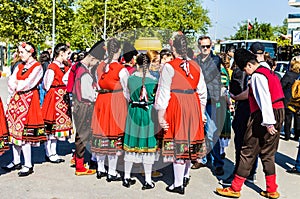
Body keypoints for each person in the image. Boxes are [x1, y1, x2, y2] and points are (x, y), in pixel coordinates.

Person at [216, 48, 285, 199]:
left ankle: (235, 188)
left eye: (244, 69)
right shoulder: (266, 69)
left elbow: (264, 99)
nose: (245, 73)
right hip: (279, 111)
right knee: (268, 153)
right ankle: (272, 189)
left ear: (248, 65)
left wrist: (268, 122)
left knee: (248, 150)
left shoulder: (257, 76)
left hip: (264, 115)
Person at [155, 33, 207, 195]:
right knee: (189, 140)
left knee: (178, 141)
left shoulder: (169, 67)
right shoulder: (196, 66)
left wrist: (160, 115)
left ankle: (178, 184)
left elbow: (163, 92)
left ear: (173, 48)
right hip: (193, 103)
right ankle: (185, 175)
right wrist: (202, 112)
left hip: (177, 103)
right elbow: (202, 92)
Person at [3, 42, 47, 177]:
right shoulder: (20, 66)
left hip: (29, 101)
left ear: (30, 52)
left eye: (22, 52)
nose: (19, 55)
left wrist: (17, 84)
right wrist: (16, 84)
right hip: (17, 101)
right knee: (14, 131)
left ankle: (27, 163)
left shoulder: (37, 67)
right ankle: (16, 160)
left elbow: (28, 83)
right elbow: (11, 81)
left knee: (25, 133)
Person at [90, 38, 129, 182]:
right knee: (113, 136)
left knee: (101, 135)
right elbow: (127, 90)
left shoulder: (100, 67)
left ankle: (100, 168)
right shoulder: (121, 69)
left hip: (101, 101)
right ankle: (111, 171)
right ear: (118, 51)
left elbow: (98, 85)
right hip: (115, 102)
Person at [68, 40, 105, 175]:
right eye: (96, 62)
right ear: (93, 58)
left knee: (82, 133)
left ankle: (78, 160)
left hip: (79, 103)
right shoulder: (84, 73)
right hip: (84, 105)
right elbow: (88, 95)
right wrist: (98, 94)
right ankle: (80, 166)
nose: (96, 65)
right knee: (83, 134)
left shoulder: (79, 67)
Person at [123, 53, 158, 189]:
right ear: (149, 65)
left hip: (133, 111)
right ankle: (148, 180)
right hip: (147, 112)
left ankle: (126, 176)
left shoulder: (130, 79)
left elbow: (126, 95)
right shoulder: (154, 80)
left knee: (131, 144)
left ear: (136, 64)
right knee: (148, 145)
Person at [193, 35, 224, 177]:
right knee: (200, 132)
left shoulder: (215, 59)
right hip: (199, 99)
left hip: (211, 99)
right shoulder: (196, 60)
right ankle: (203, 158)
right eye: (203, 46)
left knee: (212, 132)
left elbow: (204, 75)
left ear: (211, 46)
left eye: (207, 46)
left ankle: (218, 163)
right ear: (199, 46)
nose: (205, 49)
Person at [42, 43, 73, 163]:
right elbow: (46, 84)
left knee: (56, 128)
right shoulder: (52, 67)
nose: (68, 56)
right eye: (67, 53)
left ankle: (52, 151)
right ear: (61, 53)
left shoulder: (65, 65)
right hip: (54, 96)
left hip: (62, 96)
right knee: (51, 125)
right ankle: (49, 152)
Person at [218, 53, 234, 159]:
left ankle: (220, 151)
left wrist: (229, 102)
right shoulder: (226, 71)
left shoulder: (221, 72)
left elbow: (223, 91)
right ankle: (221, 150)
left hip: (220, 103)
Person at [281, 56, 300, 141]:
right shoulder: (299, 76)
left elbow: (281, 85)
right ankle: (297, 135)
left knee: (287, 118)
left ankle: (287, 135)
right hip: (297, 100)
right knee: (297, 118)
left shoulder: (288, 75)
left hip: (287, 100)